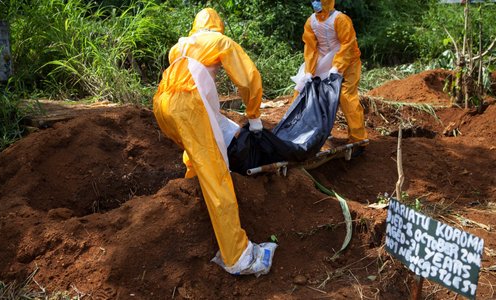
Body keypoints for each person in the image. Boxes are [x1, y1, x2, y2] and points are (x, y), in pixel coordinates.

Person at [153, 8, 276, 276]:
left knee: (196, 152)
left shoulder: (180, 46)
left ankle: (192, 180)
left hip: (163, 105)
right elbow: (248, 78)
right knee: (217, 175)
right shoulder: (219, 42)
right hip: (188, 107)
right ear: (217, 27)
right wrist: (254, 116)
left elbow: (192, 83)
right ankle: (237, 257)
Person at [291, 0, 368, 155]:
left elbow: (348, 44)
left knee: (346, 96)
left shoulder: (341, 19)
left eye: (319, 0)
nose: (315, 3)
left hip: (348, 61)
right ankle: (297, 132)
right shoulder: (311, 21)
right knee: (302, 90)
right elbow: (311, 48)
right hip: (324, 59)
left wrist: (337, 67)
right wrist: (309, 71)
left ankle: (358, 140)